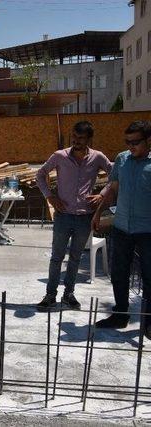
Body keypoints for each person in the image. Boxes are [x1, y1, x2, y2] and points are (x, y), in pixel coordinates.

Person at [35, 121, 112, 311]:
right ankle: (50, 295)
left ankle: (69, 294)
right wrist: (50, 196)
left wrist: (102, 194)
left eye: (81, 138)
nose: (76, 141)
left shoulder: (97, 157)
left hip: (84, 217)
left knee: (76, 258)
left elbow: (115, 174)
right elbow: (40, 174)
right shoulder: (60, 156)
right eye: (74, 137)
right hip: (63, 216)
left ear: (89, 139)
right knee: (57, 257)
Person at [92, 120, 151, 338]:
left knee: (149, 276)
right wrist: (98, 213)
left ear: (148, 141)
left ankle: (148, 322)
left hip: (147, 231)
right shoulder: (122, 159)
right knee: (119, 273)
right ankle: (120, 314)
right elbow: (112, 189)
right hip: (122, 227)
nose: (131, 147)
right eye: (128, 142)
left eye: (135, 142)